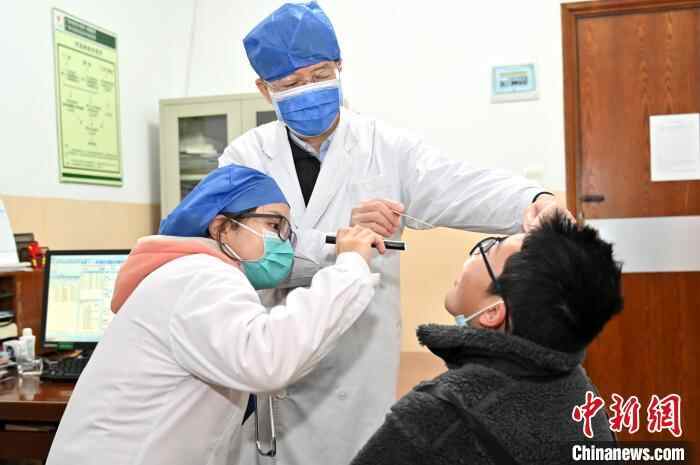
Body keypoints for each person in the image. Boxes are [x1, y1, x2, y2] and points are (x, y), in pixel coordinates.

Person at [220, 2, 574, 463]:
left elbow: (457, 183)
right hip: (272, 363)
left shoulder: (385, 148)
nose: (308, 91)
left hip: (355, 370)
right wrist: (348, 244)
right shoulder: (245, 158)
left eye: (319, 75)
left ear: (340, 67)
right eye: (290, 84)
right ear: (264, 90)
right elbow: (243, 253)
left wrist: (533, 201)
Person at [45, 164, 385, 465]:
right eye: (273, 225)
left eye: (287, 232)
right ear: (221, 227)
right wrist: (350, 266)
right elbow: (266, 359)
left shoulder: (194, 273)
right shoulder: (201, 277)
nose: (283, 242)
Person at [350, 213, 623, 465]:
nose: (471, 258)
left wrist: (348, 267)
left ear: (492, 312)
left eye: (489, 251)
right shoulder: (580, 390)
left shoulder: (437, 411)